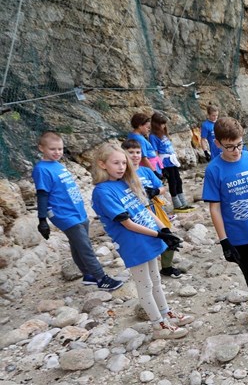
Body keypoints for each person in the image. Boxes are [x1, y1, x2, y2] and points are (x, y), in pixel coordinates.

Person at [91, 143, 192, 339]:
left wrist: (163, 228)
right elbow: (127, 223)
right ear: (102, 164)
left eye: (123, 163)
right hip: (134, 243)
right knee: (144, 284)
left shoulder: (126, 182)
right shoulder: (102, 192)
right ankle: (158, 325)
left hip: (148, 236)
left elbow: (144, 210)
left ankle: (166, 312)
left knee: (155, 280)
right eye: (116, 163)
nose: (121, 167)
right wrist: (159, 235)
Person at [202, 117, 248, 325]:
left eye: (239, 145)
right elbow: (215, 208)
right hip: (239, 236)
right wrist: (224, 241)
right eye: (229, 147)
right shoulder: (214, 170)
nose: (236, 151)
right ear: (217, 144)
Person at [32, 132, 124, 291]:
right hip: (64, 214)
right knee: (85, 246)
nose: (57, 152)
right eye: (52, 149)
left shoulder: (58, 165)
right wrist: (42, 220)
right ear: (41, 148)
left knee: (77, 245)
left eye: (60, 149)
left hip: (78, 211)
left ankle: (88, 275)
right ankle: (102, 278)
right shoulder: (41, 169)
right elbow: (42, 194)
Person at [122, 139, 184, 279]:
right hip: (137, 213)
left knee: (168, 234)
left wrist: (155, 191)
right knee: (148, 239)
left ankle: (166, 267)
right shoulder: (123, 175)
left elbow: (163, 188)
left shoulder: (146, 171)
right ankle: (147, 271)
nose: (135, 155)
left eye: (138, 152)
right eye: (131, 152)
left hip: (155, 208)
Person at [148, 112, 195, 213]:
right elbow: (155, 153)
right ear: (156, 124)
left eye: (164, 124)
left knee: (178, 181)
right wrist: (160, 168)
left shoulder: (164, 134)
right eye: (161, 124)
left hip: (171, 161)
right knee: (172, 182)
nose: (163, 126)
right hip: (165, 163)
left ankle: (183, 202)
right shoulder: (153, 136)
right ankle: (177, 204)